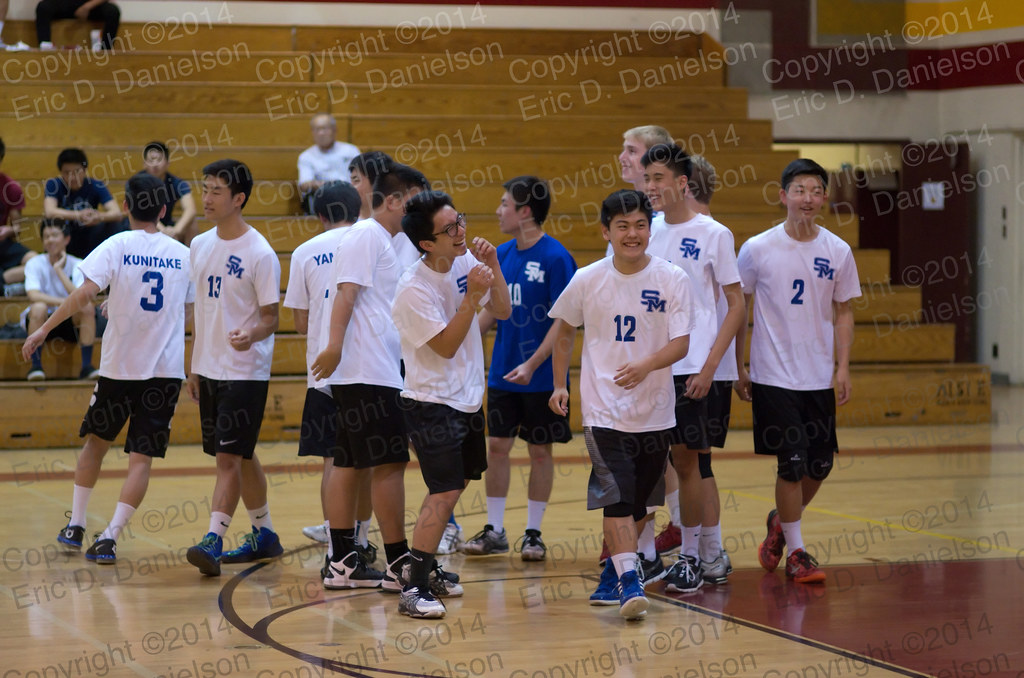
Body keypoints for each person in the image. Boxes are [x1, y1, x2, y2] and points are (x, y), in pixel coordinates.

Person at [24, 173, 193, 562]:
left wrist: (43, 330)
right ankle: (110, 538)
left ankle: (77, 524)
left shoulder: (115, 244)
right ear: (165, 211)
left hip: (119, 369)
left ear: (127, 207)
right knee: (141, 459)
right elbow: (185, 312)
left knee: (95, 445)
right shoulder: (185, 255)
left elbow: (83, 294)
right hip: (165, 373)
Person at [548, 189, 692, 620]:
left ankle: (614, 570)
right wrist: (559, 385)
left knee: (641, 502)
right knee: (617, 494)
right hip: (603, 410)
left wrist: (647, 365)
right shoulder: (588, 278)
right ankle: (630, 579)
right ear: (606, 231)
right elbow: (564, 331)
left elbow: (682, 343)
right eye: (623, 226)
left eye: (641, 225)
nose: (633, 234)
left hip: (655, 410)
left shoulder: (672, 278)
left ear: (650, 228)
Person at [735, 158, 860, 584]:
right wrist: (739, 366)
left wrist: (842, 367)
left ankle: (780, 524)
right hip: (774, 376)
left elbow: (844, 312)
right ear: (783, 195)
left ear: (824, 197)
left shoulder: (837, 251)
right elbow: (739, 309)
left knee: (818, 465)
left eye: (816, 190)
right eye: (800, 189)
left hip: (818, 376)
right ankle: (798, 551)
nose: (808, 198)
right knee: (790, 463)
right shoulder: (756, 249)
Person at [392, 191, 511, 618]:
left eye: (460, 220)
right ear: (427, 243)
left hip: (464, 399)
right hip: (430, 402)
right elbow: (444, 346)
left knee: (453, 488)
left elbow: (502, 310)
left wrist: (494, 268)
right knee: (442, 492)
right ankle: (414, 587)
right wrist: (468, 299)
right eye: (450, 229)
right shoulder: (411, 288)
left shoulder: (465, 263)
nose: (461, 232)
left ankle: (425, 567)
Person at [310, 164, 429, 590]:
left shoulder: (388, 240)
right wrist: (335, 345)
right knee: (390, 463)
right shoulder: (366, 235)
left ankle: (342, 560)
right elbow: (346, 293)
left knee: (348, 459)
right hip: (366, 368)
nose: (418, 209)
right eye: (414, 200)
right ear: (394, 200)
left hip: (368, 367)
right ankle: (398, 562)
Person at [641, 144, 745, 594]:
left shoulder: (714, 233)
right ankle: (655, 554)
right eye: (647, 179)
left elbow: (737, 305)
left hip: (697, 365)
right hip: (656, 364)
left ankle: (692, 556)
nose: (650, 187)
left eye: (658, 178)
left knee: (689, 460)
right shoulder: (648, 230)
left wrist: (711, 366)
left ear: (682, 183)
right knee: (657, 460)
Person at [463, 176, 576, 561]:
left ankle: (533, 532)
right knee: (496, 446)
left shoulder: (557, 258)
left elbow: (564, 324)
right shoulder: (501, 255)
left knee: (540, 451)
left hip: (542, 377)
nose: (498, 210)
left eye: (504, 203)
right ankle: (495, 529)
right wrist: (460, 347)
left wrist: (532, 363)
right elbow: (489, 313)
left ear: (525, 211)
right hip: (503, 373)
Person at [185, 159, 283, 577]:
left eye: (216, 191)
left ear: (238, 198)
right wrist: (193, 367)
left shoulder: (260, 252)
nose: (206, 198)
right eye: (204, 189)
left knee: (227, 457)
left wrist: (252, 335)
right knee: (240, 454)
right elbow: (199, 314)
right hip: (208, 369)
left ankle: (213, 538)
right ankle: (265, 535)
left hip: (245, 370)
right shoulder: (199, 245)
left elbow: (272, 318)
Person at [282, 181, 367, 552]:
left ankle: (337, 548)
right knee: (367, 459)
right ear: (357, 211)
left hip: (323, 373)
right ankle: (362, 540)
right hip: (368, 371)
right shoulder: (372, 245)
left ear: (319, 216)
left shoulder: (304, 251)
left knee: (333, 461)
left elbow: (300, 323)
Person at [21, 219, 97, 380]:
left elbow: (82, 296)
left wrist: (59, 271)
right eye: (46, 236)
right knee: (38, 307)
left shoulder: (78, 264)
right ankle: (35, 368)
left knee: (87, 307)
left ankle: (86, 367)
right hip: (43, 323)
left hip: (70, 323)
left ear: (67, 239)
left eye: (54, 235)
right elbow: (33, 295)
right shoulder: (34, 263)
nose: (50, 240)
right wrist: (66, 303)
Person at [43, 148, 124, 259]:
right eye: (67, 173)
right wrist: (79, 215)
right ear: (61, 173)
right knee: (51, 228)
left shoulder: (95, 185)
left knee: (117, 224)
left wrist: (99, 217)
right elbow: (50, 212)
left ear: (85, 170)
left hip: (89, 234)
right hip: (65, 236)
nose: (72, 177)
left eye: (77, 171)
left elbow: (116, 213)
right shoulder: (54, 184)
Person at [298, 114, 360, 214]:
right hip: (323, 200)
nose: (321, 133)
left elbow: (361, 177)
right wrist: (332, 186)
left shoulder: (350, 151)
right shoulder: (306, 156)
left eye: (325, 129)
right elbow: (305, 184)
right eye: (317, 129)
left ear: (334, 130)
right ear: (312, 132)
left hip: (349, 197)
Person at [142, 141, 197, 245]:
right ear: (144, 164)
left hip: (168, 226)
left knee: (192, 223)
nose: (155, 164)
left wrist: (175, 230)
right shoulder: (137, 183)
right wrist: (162, 231)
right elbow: (143, 213)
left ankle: (191, 260)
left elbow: (190, 210)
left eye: (159, 160)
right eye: (151, 160)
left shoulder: (176, 183)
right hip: (144, 225)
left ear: (168, 163)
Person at [1, 136, 35, 296]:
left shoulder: (11, 187)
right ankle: (7, 288)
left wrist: (8, 230)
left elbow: (17, 229)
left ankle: (4, 281)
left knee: (35, 261)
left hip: (3, 244)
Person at [35, 0, 120, 50]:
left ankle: (105, 51)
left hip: (90, 5)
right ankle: (45, 48)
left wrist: (86, 7)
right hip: (65, 3)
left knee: (113, 11)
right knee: (43, 7)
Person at [348, 151, 393, 220]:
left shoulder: (400, 226)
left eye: (356, 180)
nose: (350, 187)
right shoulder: (345, 224)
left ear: (376, 182)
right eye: (351, 181)